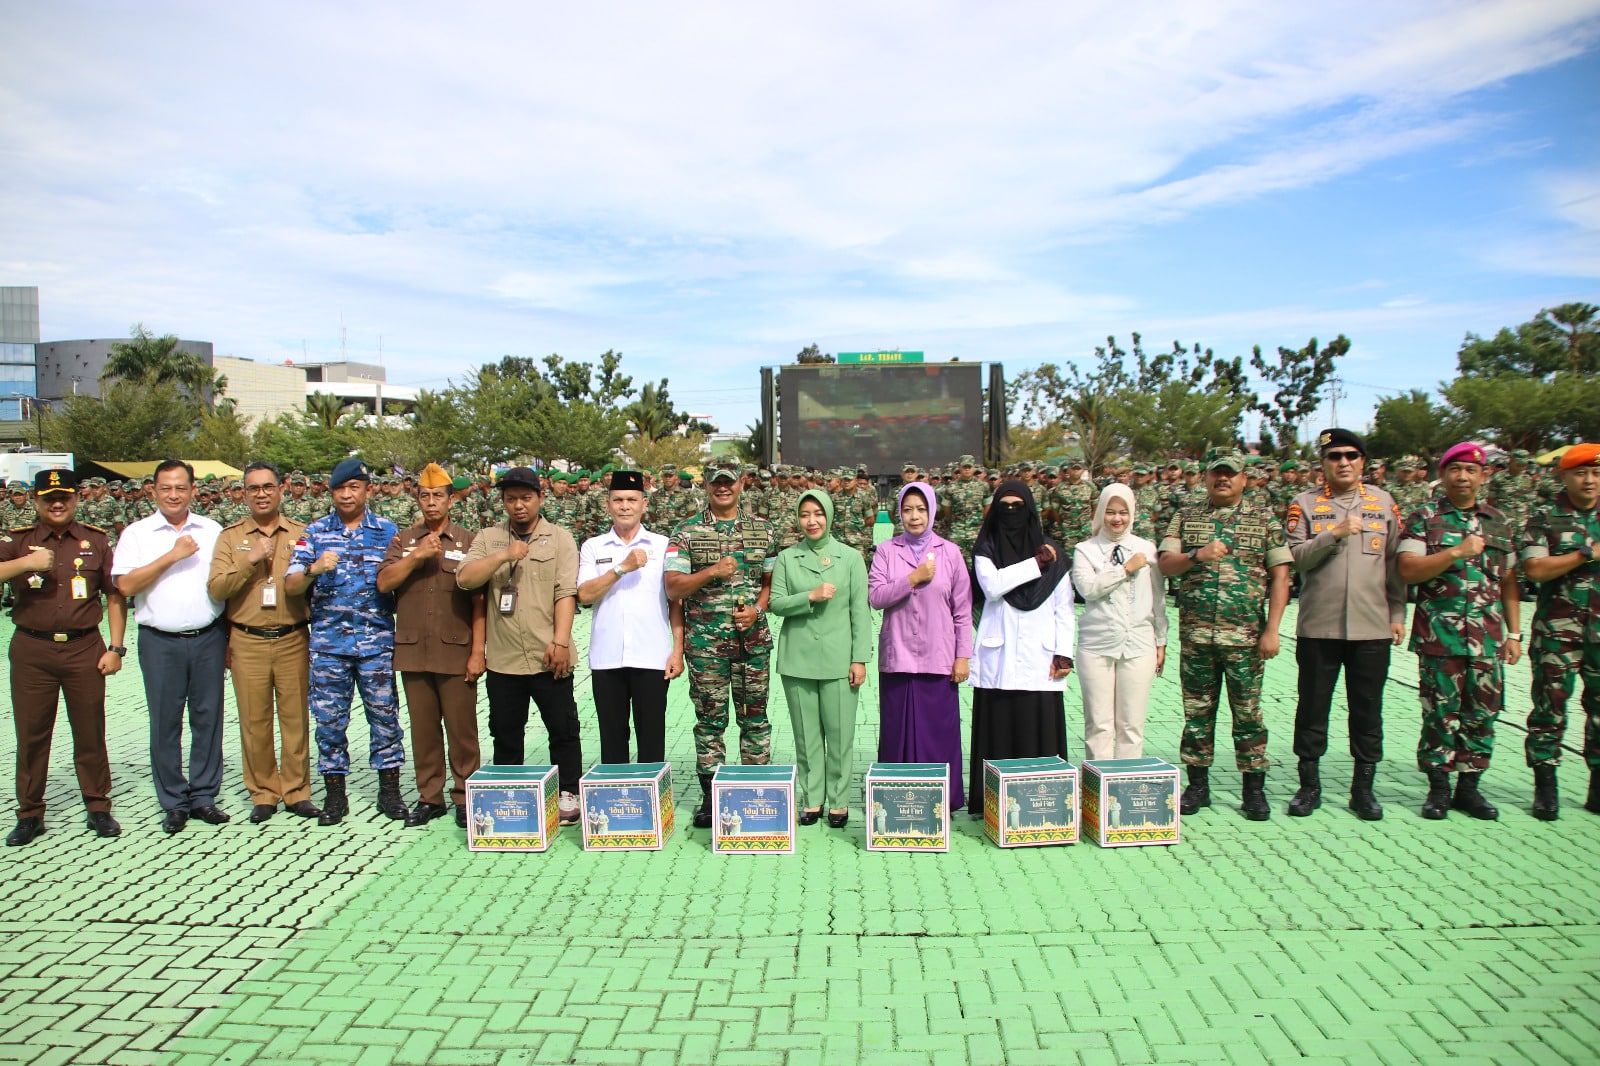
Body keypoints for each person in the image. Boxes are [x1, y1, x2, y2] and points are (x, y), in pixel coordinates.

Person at [1158, 447, 1291, 821]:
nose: (1223, 479)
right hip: (1198, 636)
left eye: (1231, 473)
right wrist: (1197, 556)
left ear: (1243, 479)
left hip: (1247, 639)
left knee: (1248, 714)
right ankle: (1198, 786)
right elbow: (1166, 564)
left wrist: (1273, 629)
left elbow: (1281, 575)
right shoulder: (1186, 516)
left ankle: (1254, 789)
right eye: (1216, 472)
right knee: (1197, 714)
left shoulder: (1264, 519)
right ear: (1206, 477)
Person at [1283, 429, 1406, 821]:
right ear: (1323, 463)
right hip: (1319, 627)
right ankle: (1309, 786)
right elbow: (1295, 558)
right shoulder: (1304, 504)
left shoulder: (1384, 503)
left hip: (1372, 627)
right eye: (1334, 456)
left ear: (1363, 462)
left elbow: (1394, 565)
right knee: (1312, 708)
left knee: (1368, 711)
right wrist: (1333, 534)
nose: (1343, 462)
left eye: (1351, 455)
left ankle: (1363, 789)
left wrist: (1398, 613)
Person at [0, 469, 127, 846]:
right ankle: (29, 813)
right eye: (49, 498)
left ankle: (98, 807)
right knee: (32, 733)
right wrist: (25, 564)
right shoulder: (17, 540)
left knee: (89, 731)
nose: (57, 504)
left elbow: (115, 596)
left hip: (84, 647)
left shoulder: (96, 541)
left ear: (76, 499)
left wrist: (116, 648)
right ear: (37, 501)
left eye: (65, 497)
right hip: (32, 649)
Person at [1397, 442, 1522, 820]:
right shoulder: (1424, 518)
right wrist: (1455, 552)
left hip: (1487, 637)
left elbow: (1511, 581)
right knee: (1439, 714)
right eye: (1455, 469)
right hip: (1440, 637)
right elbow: (1407, 570)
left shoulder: (1499, 521)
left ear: (1484, 476)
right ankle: (1438, 790)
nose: (1463, 477)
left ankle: (1470, 788)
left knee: (1482, 714)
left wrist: (1514, 634)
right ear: (1443, 474)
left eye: (1471, 470)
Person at [286, 457, 409, 826]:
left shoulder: (388, 531)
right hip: (329, 646)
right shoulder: (316, 532)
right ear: (332, 492)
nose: (346, 494)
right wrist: (314, 568)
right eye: (340, 489)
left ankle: (389, 792)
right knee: (329, 722)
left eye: (353, 487)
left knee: (385, 719)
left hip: (377, 644)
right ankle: (335, 796)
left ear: (367, 490)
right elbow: (290, 586)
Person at [457, 466, 582, 825]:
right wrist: (503, 556)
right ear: (503, 502)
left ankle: (568, 790)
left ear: (540, 498)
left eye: (525, 498)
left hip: (549, 655)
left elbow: (565, 592)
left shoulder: (560, 538)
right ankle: (511, 792)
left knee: (562, 727)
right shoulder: (487, 538)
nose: (518, 505)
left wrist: (560, 640)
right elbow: (466, 579)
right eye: (511, 499)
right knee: (506, 730)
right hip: (504, 658)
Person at [112, 460, 228, 833]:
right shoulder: (137, 533)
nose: (173, 494)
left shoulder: (213, 530)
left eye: (181, 487)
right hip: (160, 642)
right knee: (165, 723)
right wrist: (173, 555)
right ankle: (174, 801)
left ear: (193, 490)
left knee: (208, 718)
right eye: (166, 488)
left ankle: (204, 796)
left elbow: (227, 582)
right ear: (154, 491)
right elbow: (126, 586)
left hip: (209, 637)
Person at [664, 456, 778, 828]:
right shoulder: (686, 532)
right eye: (715, 481)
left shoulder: (764, 531)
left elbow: (770, 585)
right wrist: (712, 570)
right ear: (706, 485)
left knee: (755, 720)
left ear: (742, 482)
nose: (723, 487)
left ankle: (755, 792)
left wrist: (758, 612)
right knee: (710, 723)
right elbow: (672, 587)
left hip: (752, 644)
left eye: (729, 480)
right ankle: (712, 799)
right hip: (705, 647)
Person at [207, 460, 321, 823]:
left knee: (295, 718)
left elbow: (316, 585)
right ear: (243, 494)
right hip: (248, 640)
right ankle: (264, 793)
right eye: (253, 488)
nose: (261, 494)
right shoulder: (230, 537)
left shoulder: (302, 534)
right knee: (254, 722)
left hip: (291, 638)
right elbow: (217, 588)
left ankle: (297, 791)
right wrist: (250, 561)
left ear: (280, 490)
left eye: (267, 487)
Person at [377, 462, 486, 829]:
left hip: (456, 649)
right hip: (413, 650)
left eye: (438, 495)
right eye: (424, 495)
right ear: (417, 498)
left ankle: (465, 795)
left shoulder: (469, 541)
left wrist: (477, 653)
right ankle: (430, 796)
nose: (431, 502)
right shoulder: (402, 539)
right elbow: (384, 582)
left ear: (451, 499)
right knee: (423, 731)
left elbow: (479, 602)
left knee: (462, 730)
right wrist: (416, 557)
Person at [966, 479, 1076, 816]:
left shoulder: (1053, 554)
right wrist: (1034, 564)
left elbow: (1064, 609)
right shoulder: (987, 548)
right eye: (1004, 507)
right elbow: (994, 586)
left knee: (1037, 728)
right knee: (998, 729)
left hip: (1040, 660)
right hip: (999, 661)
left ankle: (1041, 804)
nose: (1011, 514)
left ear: (1029, 510)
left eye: (1018, 506)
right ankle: (993, 805)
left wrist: (1063, 652)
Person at [770, 489, 871, 827]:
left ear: (829, 516)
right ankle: (812, 798)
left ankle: (839, 801)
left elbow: (860, 611)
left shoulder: (851, 558)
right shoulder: (787, 557)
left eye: (818, 514)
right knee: (806, 735)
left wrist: (860, 659)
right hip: (797, 658)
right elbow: (776, 603)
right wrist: (809, 596)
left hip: (839, 660)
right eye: (804, 515)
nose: (811, 521)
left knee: (840, 735)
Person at [868, 481, 973, 810]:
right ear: (899, 513)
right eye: (908, 509)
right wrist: (912, 579)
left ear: (932, 511)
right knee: (897, 732)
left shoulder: (950, 552)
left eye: (921, 509)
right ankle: (895, 801)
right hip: (898, 657)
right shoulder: (887, 551)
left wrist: (962, 657)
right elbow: (876, 597)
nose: (915, 516)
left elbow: (963, 610)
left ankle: (941, 802)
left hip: (938, 659)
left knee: (937, 734)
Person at [577, 469, 684, 764]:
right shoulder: (593, 546)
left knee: (651, 737)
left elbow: (676, 601)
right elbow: (585, 595)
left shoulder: (664, 546)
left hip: (652, 656)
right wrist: (621, 568)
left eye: (632, 500)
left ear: (644, 504)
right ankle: (615, 804)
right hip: (607, 656)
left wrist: (678, 650)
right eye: (619, 500)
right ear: (608, 504)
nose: (625, 506)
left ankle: (651, 804)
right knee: (612, 738)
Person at [1520, 442, 1600, 818]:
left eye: (1596, 473)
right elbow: (1534, 571)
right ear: (1563, 475)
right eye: (1581, 472)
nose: (1589, 480)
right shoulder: (1544, 518)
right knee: (1549, 709)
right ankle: (1545, 787)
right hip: (1558, 631)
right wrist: (1585, 554)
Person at [1071, 484, 1167, 761]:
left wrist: (1161, 640)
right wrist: (1124, 570)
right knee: (1099, 725)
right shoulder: (1085, 550)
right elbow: (1087, 589)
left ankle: (1125, 786)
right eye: (1110, 512)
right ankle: (1096, 790)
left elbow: (1158, 600)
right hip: (1097, 645)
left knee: (1131, 725)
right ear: (1100, 513)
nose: (1117, 519)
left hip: (1139, 643)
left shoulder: (1146, 549)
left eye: (1123, 512)